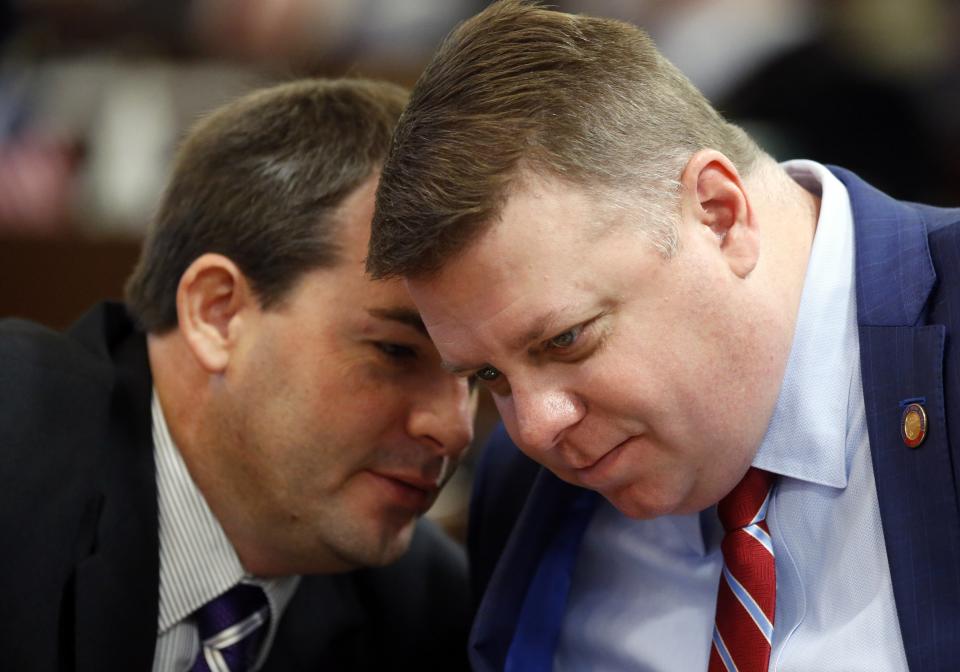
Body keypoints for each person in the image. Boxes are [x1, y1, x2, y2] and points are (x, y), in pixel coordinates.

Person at [366, 1, 960, 671]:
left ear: (718, 214)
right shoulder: (525, 487)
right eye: (488, 378)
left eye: (566, 340)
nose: (535, 429)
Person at [0, 78, 476, 671]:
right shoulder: (13, 443)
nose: (455, 429)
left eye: (475, 374)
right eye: (395, 351)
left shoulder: (425, 610)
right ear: (217, 312)